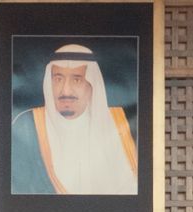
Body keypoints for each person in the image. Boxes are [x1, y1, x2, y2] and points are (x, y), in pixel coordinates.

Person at [10, 43, 140, 196]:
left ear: (92, 85)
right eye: (58, 79)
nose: (66, 91)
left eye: (77, 80)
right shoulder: (26, 126)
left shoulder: (123, 125)